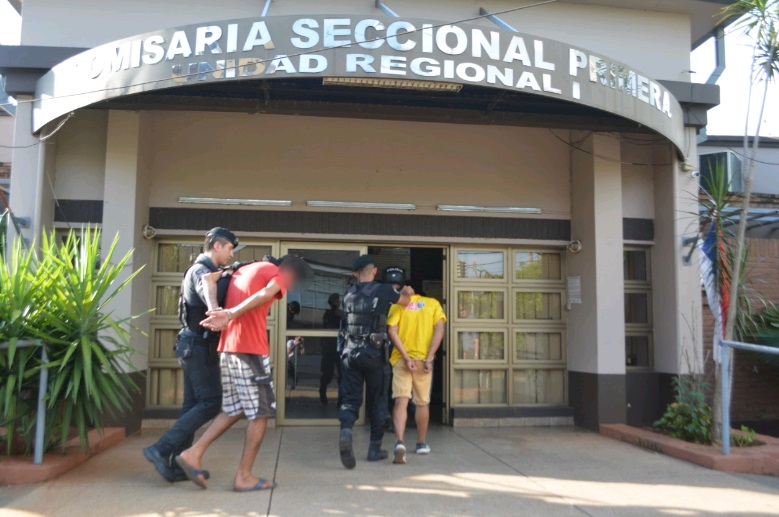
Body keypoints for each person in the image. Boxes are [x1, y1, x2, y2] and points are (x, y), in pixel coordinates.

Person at [174, 255, 311, 491]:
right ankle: (243, 476)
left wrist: (220, 311)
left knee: (234, 408)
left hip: (228, 348)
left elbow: (208, 280)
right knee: (261, 413)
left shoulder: (242, 269)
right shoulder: (277, 272)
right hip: (249, 348)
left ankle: (192, 453)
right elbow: (266, 294)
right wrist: (229, 314)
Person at [142, 227, 239, 483]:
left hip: (192, 345)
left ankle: (175, 461)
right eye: (230, 248)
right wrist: (216, 306)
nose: (231, 254)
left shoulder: (204, 270)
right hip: (197, 346)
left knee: (192, 406)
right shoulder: (201, 272)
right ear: (217, 246)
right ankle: (161, 449)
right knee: (210, 402)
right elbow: (209, 291)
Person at [338, 255, 414, 469]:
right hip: (373, 353)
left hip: (350, 352)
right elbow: (405, 302)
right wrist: (407, 291)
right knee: (378, 401)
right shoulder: (383, 290)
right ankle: (374, 448)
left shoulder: (348, 293)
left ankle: (346, 431)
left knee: (350, 399)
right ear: (373, 271)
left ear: (355, 273)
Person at [386, 274, 446, 465]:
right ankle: (421, 443)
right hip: (423, 360)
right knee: (422, 403)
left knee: (401, 401)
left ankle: (399, 442)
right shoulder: (432, 304)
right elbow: (439, 330)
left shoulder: (398, 305)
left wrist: (405, 356)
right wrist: (429, 357)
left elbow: (391, 331)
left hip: (402, 360)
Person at [320, 293, 345, 405]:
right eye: (337, 301)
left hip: (338, 348)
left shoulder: (339, 314)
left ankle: (340, 399)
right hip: (331, 348)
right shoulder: (331, 314)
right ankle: (323, 394)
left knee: (341, 375)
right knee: (328, 374)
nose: (339, 303)